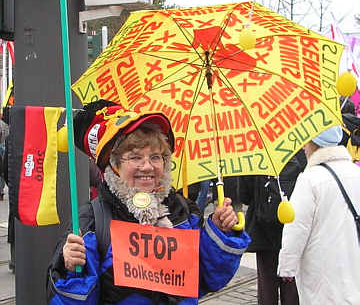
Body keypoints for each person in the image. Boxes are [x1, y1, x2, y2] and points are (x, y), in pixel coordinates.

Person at [46, 100, 251, 304]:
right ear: (115, 164)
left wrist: (220, 230)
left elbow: (208, 279)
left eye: (155, 157)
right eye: (135, 158)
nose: (147, 166)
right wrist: (72, 269)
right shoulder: (93, 220)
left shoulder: (183, 211)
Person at [278, 126, 360, 304]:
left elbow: (296, 226)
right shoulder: (356, 172)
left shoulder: (310, 179)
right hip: (353, 264)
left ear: (314, 144)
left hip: (323, 272)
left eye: (306, 142)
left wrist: (287, 267)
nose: (303, 148)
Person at [236, 150, 306, 305]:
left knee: (267, 287)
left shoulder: (254, 156)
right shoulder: (299, 153)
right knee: (292, 288)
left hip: (263, 231)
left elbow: (244, 196)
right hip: (291, 228)